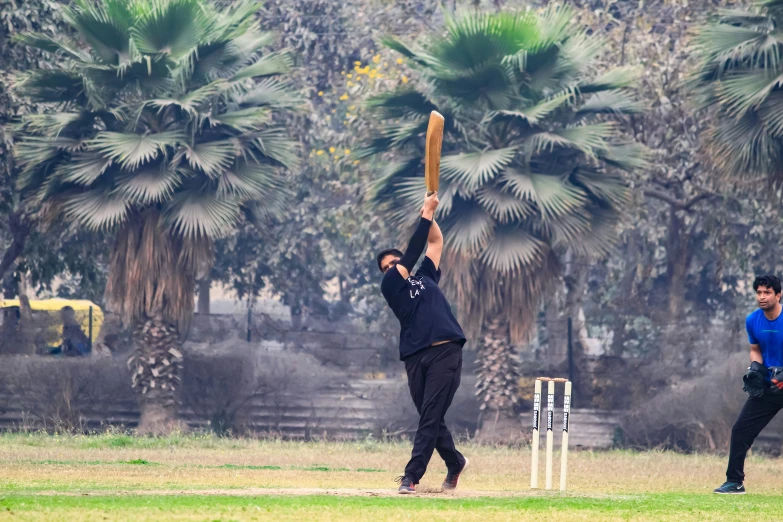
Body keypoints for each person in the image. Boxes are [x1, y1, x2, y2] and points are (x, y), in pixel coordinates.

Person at [376, 191, 469, 495]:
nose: (391, 267)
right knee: (431, 416)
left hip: (446, 351)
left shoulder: (425, 277)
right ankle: (455, 463)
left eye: (394, 262)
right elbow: (415, 249)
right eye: (387, 265)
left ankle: (410, 477)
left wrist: (429, 215)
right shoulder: (391, 285)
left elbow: (434, 242)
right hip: (415, 357)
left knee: (430, 415)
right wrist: (425, 213)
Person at [714, 274, 783, 494]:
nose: (762, 297)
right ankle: (734, 482)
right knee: (740, 431)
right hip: (768, 387)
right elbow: (755, 350)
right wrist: (755, 369)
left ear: (778, 295)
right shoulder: (752, 320)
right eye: (759, 292)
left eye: (767, 292)